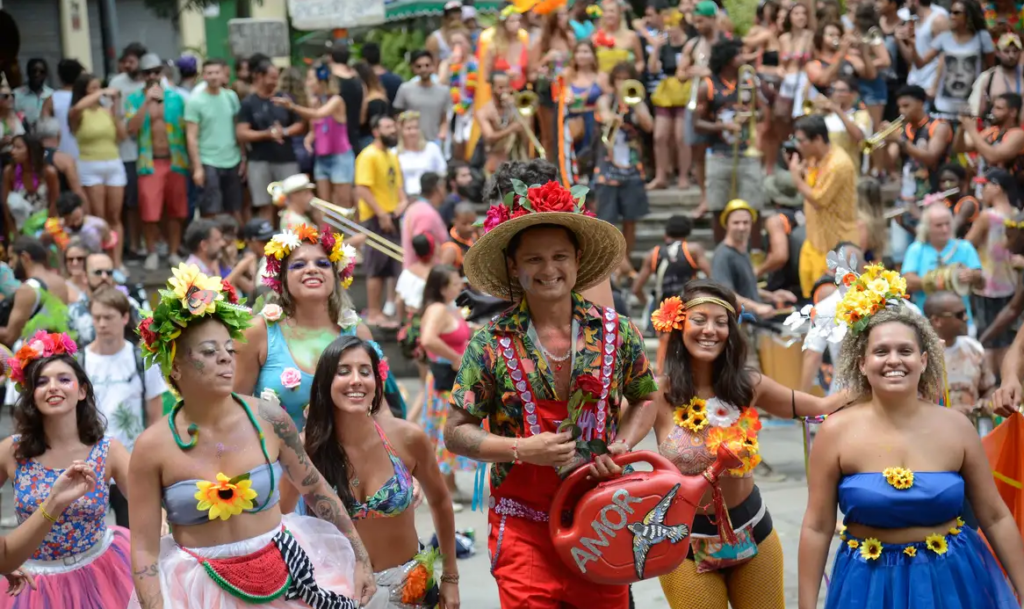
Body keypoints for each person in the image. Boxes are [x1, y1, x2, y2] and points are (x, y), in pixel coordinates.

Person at [447, 178, 658, 609]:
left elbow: (646, 396)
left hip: (600, 522)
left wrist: (622, 445)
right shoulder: (489, 342)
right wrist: (522, 448)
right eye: (534, 259)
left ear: (578, 260)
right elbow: (455, 432)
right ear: (513, 267)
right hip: (524, 531)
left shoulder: (617, 332)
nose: (549, 269)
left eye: (560, 256)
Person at [126, 264, 375, 608]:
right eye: (210, 352)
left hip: (285, 574)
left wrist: (360, 557)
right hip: (196, 589)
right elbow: (143, 547)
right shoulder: (152, 448)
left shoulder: (269, 418)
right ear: (176, 367)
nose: (226, 358)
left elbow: (315, 488)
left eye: (229, 348)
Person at [796, 266, 1024, 609]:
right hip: (866, 586)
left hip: (953, 582)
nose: (893, 361)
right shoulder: (835, 431)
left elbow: (994, 516)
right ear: (861, 363)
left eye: (905, 351)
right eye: (881, 351)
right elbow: (816, 526)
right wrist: (806, 605)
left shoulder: (956, 427)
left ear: (923, 360)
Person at [648, 280, 845, 609]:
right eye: (699, 320)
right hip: (682, 544)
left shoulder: (748, 385)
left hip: (754, 533)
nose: (710, 330)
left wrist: (877, 377)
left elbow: (820, 407)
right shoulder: (657, 393)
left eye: (721, 322)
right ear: (679, 324)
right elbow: (607, 432)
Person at [305, 335, 461, 608]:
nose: (356, 380)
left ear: (377, 383)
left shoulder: (407, 438)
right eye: (344, 371)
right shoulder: (306, 448)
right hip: (338, 593)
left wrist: (451, 577)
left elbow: (441, 502)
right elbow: (279, 521)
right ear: (325, 381)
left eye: (365, 372)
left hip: (411, 591)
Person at [0, 331, 133, 606]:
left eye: (64, 379)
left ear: (82, 390)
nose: (53, 387)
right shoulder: (12, 450)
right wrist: (3, 558)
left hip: (101, 574)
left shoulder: (108, 450)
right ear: (31, 393)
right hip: (33, 584)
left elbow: (150, 505)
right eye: (41, 382)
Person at [80, 287, 166, 527]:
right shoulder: (79, 360)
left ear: (125, 317)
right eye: (96, 317)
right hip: (88, 465)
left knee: (133, 535)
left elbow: (155, 416)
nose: (101, 323)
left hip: (131, 464)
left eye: (108, 317)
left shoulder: (142, 359)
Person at [696, 39, 765, 244]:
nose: (744, 58)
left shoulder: (749, 82)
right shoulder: (707, 86)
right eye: (739, 55)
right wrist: (722, 126)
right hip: (718, 153)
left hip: (747, 152)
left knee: (754, 205)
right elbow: (696, 123)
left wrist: (751, 114)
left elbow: (762, 112)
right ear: (727, 59)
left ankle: (754, 252)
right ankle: (721, 250)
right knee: (718, 207)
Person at [419, 265, 477, 506]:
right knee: (445, 429)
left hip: (454, 380)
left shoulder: (449, 308)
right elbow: (428, 339)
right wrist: (455, 358)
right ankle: (442, 490)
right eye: (455, 283)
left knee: (450, 427)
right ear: (442, 288)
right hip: (444, 380)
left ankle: (450, 486)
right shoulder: (437, 309)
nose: (460, 286)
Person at [787, 114, 858, 298]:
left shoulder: (838, 164)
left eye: (801, 140)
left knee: (834, 306)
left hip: (835, 246)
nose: (797, 145)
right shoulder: (813, 158)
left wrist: (796, 177)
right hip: (814, 241)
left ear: (817, 139)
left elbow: (819, 200)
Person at [594, 61, 653, 256]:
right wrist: (615, 114)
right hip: (608, 166)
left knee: (631, 217)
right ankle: (613, 264)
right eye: (618, 79)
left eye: (626, 79)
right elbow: (603, 114)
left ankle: (625, 259)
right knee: (607, 218)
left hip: (632, 166)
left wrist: (634, 106)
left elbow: (649, 126)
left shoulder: (637, 100)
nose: (622, 83)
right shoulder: (605, 99)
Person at [68, 73, 126, 267]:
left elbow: (122, 135)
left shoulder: (106, 111)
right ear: (84, 91)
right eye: (92, 88)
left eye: (98, 87)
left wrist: (115, 108)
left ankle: (117, 263)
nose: (98, 92)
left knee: (114, 216)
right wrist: (102, 91)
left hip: (113, 163)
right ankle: (101, 262)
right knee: (99, 218)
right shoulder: (77, 113)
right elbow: (77, 108)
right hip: (90, 165)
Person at [277, 67, 353, 210]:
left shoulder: (336, 100)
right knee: (324, 205)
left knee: (343, 204)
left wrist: (292, 106)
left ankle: (349, 233)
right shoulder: (314, 102)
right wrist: (308, 139)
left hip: (340, 157)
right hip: (322, 157)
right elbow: (314, 129)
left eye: (310, 79)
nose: (308, 82)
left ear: (321, 81)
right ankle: (327, 233)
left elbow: (318, 114)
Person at [965, 167, 1020, 369]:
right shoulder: (1017, 215)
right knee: (1007, 339)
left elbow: (967, 244)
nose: (983, 191)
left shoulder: (988, 216)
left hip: (987, 286)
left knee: (988, 340)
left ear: (997, 187)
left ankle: (987, 382)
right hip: (1012, 286)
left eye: (985, 186)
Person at [356, 115, 406, 328]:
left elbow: (398, 186)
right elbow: (362, 188)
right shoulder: (368, 155)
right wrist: (382, 214)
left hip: (393, 215)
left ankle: (389, 309)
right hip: (376, 217)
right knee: (376, 266)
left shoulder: (392, 156)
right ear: (375, 131)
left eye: (393, 127)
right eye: (387, 127)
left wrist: (403, 203)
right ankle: (374, 311)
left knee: (394, 266)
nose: (392, 130)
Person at [238, 59, 304, 221]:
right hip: (259, 161)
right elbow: (242, 133)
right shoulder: (248, 103)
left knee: (291, 203)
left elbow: (301, 124)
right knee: (264, 204)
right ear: (259, 77)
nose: (275, 82)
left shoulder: (285, 100)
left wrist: (285, 132)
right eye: (272, 77)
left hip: (286, 159)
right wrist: (267, 134)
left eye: (277, 78)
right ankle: (268, 242)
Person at [712, 200, 796, 318]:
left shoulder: (743, 250)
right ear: (727, 224)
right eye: (736, 223)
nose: (741, 227)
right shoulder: (723, 255)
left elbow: (746, 287)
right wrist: (756, 307)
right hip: (739, 325)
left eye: (745, 222)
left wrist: (771, 296)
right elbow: (726, 294)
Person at [185, 58, 245, 222]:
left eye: (216, 72)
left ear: (223, 74)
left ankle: (234, 244)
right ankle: (213, 243)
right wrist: (197, 168)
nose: (213, 76)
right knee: (211, 209)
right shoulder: (195, 101)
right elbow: (191, 136)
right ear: (203, 75)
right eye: (209, 73)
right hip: (208, 160)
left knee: (234, 208)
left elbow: (237, 127)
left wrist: (243, 156)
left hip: (232, 159)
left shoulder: (231, 97)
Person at [925, 290, 995, 428]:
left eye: (965, 312)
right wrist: (947, 413)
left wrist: (986, 402)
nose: (966, 318)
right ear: (937, 320)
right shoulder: (921, 356)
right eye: (959, 314)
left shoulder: (974, 348)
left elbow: (988, 388)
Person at [901, 204, 983, 315]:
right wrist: (941, 280)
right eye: (938, 225)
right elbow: (907, 281)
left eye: (948, 224)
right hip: (926, 319)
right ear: (927, 227)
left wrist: (972, 275)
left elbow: (982, 282)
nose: (945, 229)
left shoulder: (965, 247)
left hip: (960, 319)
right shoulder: (916, 249)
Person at [0, 237, 72, 348]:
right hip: (57, 351)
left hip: (33, 357)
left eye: (12, 258)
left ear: (24, 257)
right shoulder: (60, 283)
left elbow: (9, 337)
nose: (10, 265)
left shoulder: (27, 290)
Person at [67, 251, 145, 347]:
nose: (104, 277)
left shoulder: (130, 305)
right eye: (98, 272)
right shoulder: (73, 311)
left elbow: (145, 338)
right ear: (85, 276)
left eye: (109, 273)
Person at [954, 92, 1024, 187]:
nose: (993, 111)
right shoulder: (991, 131)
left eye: (999, 108)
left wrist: (972, 130)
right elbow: (960, 148)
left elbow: (994, 157)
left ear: (1013, 112)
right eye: (993, 107)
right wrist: (961, 128)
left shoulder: (1018, 134)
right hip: (984, 188)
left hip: (1009, 193)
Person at [756, 171, 806, 301]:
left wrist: (757, 271)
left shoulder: (776, 220)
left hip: (784, 287)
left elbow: (780, 256)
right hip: (805, 281)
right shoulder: (806, 214)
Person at [2, 134, 58, 236]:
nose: (12, 151)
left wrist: (47, 229)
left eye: (18, 148)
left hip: (44, 226)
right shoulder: (9, 172)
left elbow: (54, 202)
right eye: (12, 147)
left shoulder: (49, 172)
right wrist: (13, 230)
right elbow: (5, 204)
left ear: (31, 151)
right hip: (19, 227)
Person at [393, 51, 452, 146]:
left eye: (427, 65)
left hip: (434, 141)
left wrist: (443, 133)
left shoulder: (443, 91)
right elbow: (397, 116)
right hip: (411, 142)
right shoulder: (405, 89)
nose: (423, 69)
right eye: (419, 66)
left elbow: (444, 117)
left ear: (433, 66)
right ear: (413, 68)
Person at [401, 172, 449, 271]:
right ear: (438, 188)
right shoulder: (425, 213)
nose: (446, 191)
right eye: (444, 187)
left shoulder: (417, 207)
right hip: (425, 277)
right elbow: (423, 249)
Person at [56, 190, 111, 255]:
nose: (75, 224)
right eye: (69, 220)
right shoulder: (59, 228)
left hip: (94, 257)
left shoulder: (99, 224)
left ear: (81, 208)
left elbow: (108, 241)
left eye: (77, 219)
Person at [13, 58, 53, 130]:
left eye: (41, 72)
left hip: (47, 137)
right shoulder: (16, 94)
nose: (37, 74)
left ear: (46, 75)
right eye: (34, 71)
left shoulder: (52, 95)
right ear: (28, 72)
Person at [438, 202, 477, 275]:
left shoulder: (474, 237)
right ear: (455, 222)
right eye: (464, 224)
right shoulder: (450, 248)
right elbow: (442, 275)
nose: (469, 228)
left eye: (472, 223)